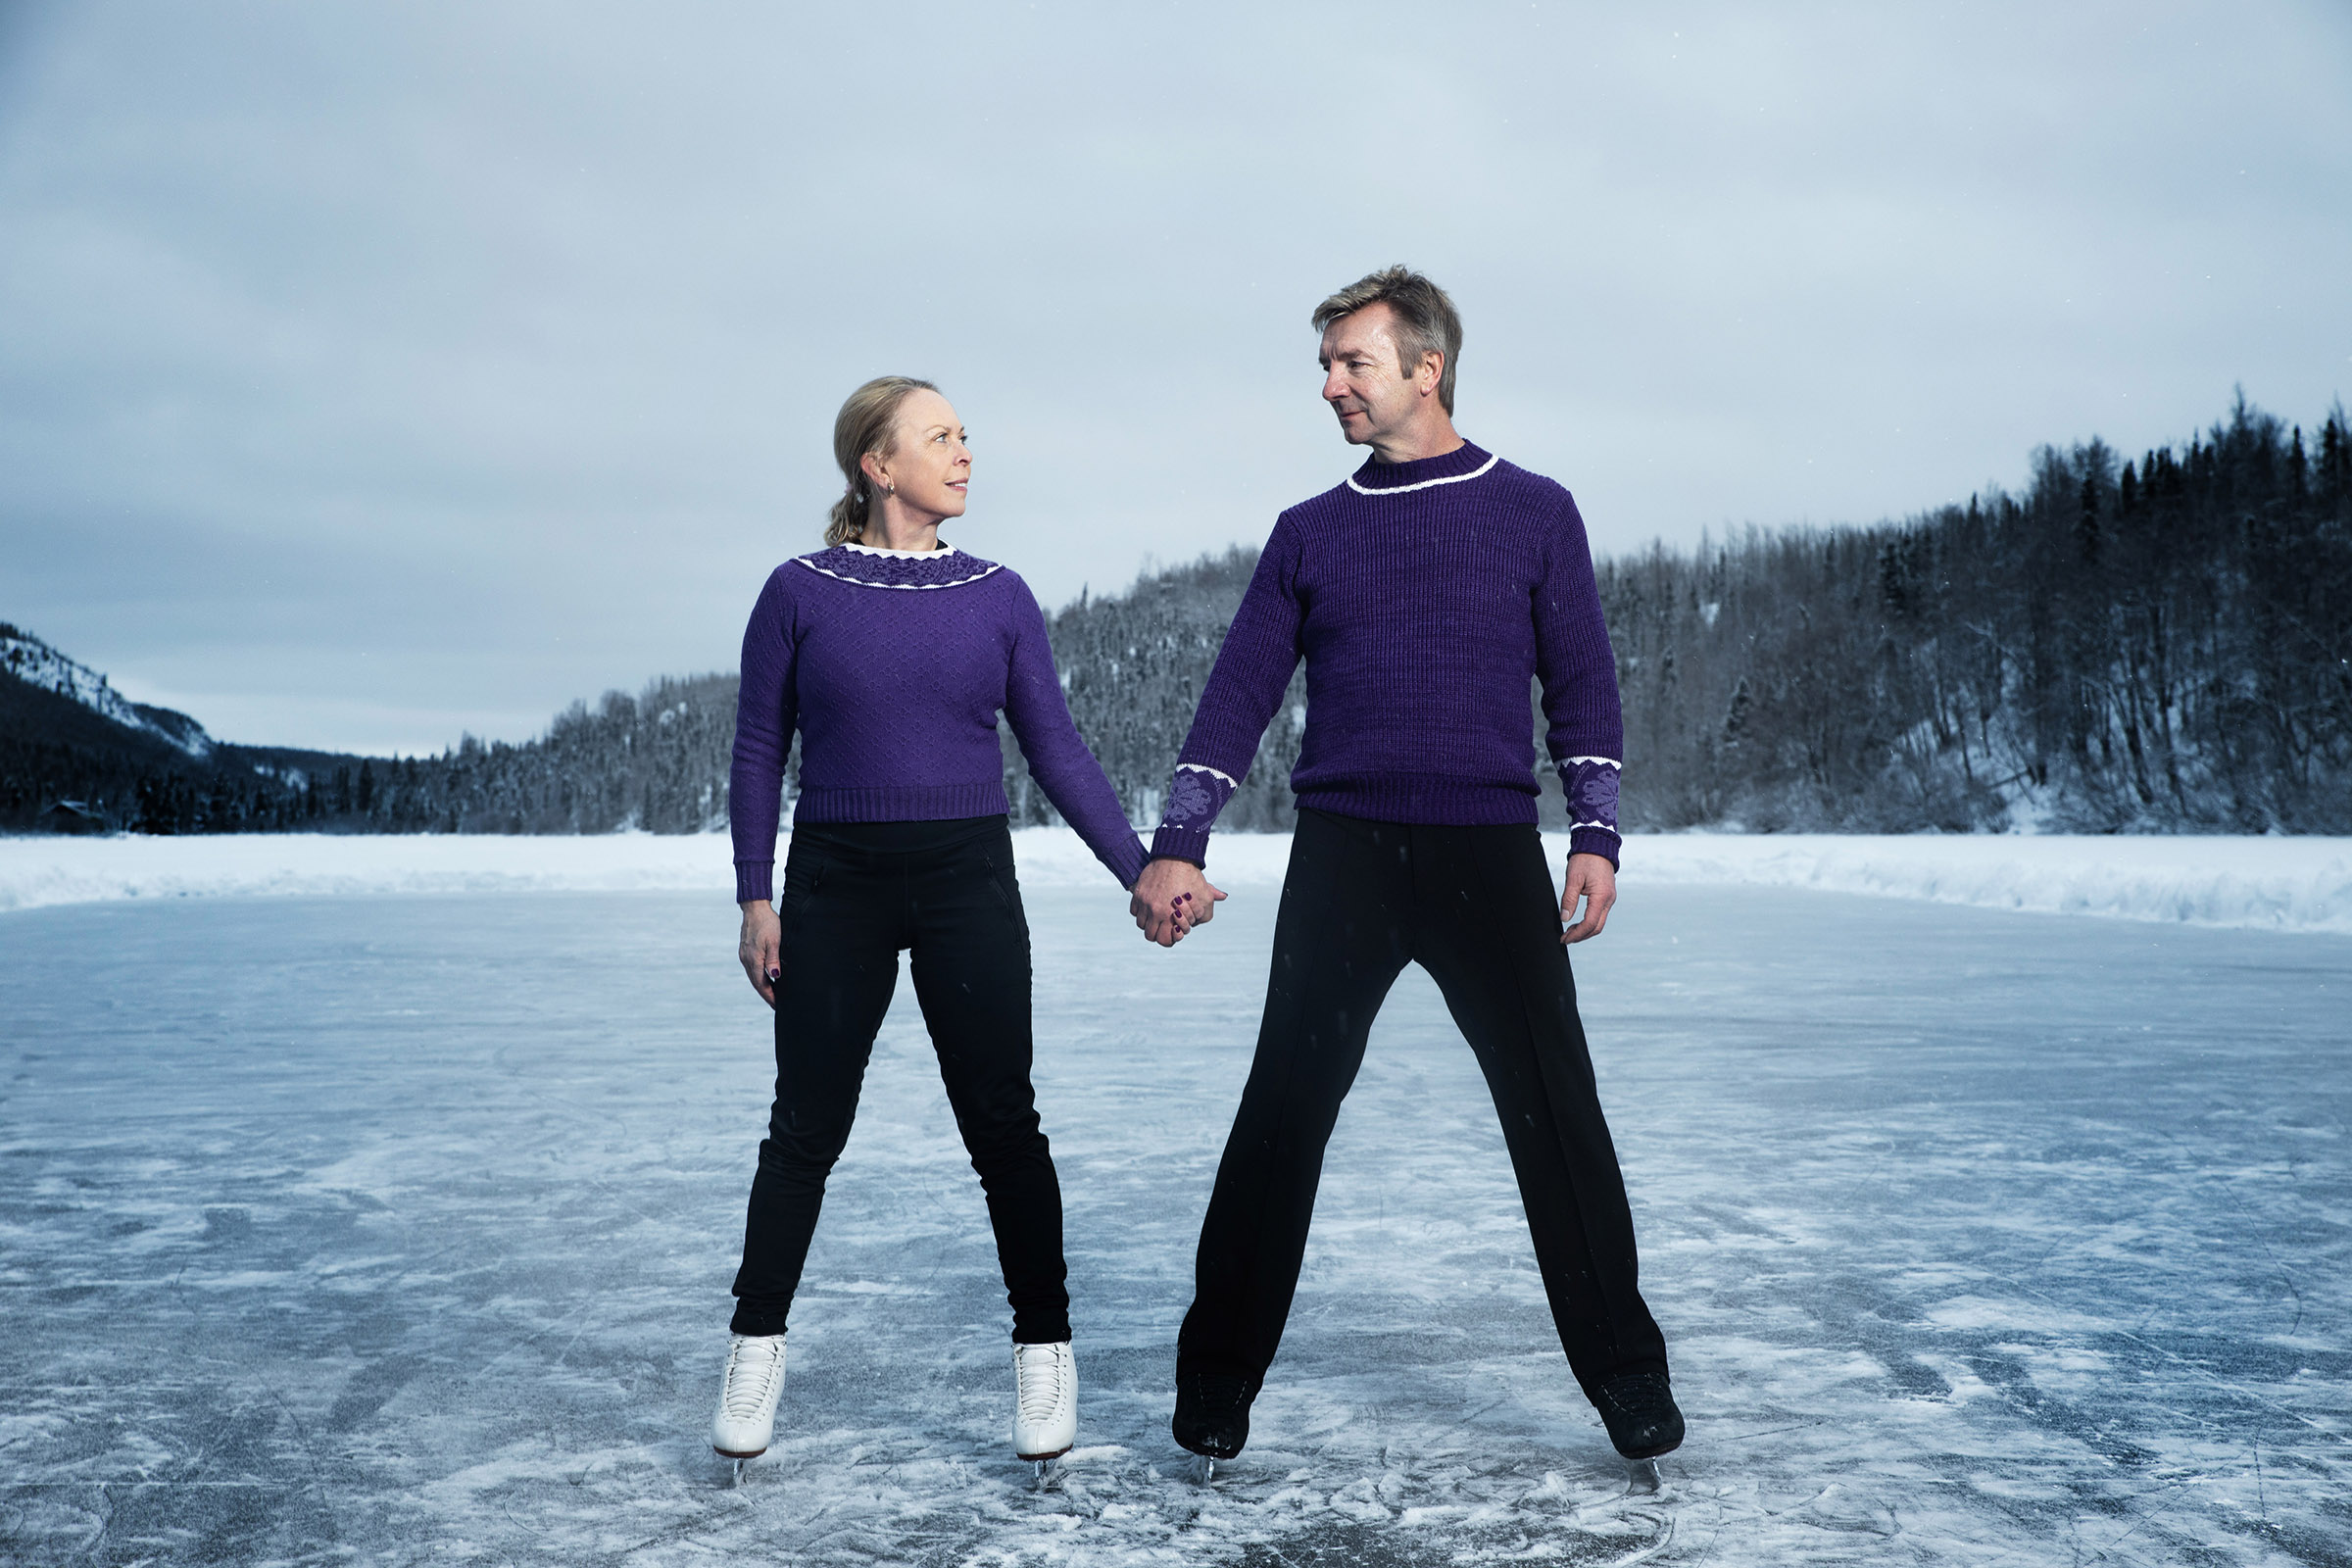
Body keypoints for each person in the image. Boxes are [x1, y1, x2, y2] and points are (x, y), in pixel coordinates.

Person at [1128, 268, 1684, 1468]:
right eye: (1326, 366)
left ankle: (1629, 1376)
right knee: (1283, 1109)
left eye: (1354, 363)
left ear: (1427, 368)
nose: (1332, 386)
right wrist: (1179, 840)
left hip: (1489, 849)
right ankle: (1216, 1380)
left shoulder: (1534, 510)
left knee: (1556, 1113)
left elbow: (1582, 682)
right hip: (1347, 857)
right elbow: (1237, 696)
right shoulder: (1310, 532)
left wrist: (1595, 831)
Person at [713, 375, 1152, 1475]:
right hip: (836, 882)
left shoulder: (998, 594)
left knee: (1003, 1124)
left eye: (965, 436)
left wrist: (1140, 870)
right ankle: (755, 1348)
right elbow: (759, 748)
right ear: (877, 463)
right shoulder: (798, 590)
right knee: (805, 1128)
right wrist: (756, 895)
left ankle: (1044, 1350)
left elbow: (1056, 750)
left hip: (968, 879)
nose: (964, 453)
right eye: (940, 437)